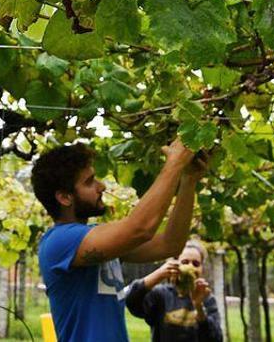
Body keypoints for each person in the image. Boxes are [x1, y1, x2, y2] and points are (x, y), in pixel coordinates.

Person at [32, 140, 206, 342]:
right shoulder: (59, 241)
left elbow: (171, 244)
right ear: (64, 197)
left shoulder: (96, 239)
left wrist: (188, 180)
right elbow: (140, 229)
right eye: (89, 182)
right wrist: (174, 163)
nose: (101, 186)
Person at [125, 241, 224, 342]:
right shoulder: (161, 295)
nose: (191, 267)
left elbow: (216, 338)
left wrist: (198, 306)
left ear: (202, 268)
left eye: (196, 263)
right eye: (185, 262)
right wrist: (158, 274)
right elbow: (131, 301)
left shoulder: (207, 298)